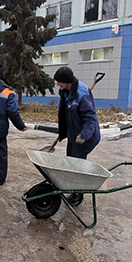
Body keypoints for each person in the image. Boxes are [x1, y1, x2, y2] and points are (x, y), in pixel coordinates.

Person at [54, 66, 100, 204]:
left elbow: (90, 118)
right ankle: (74, 192)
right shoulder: (66, 91)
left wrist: (84, 135)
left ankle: (77, 196)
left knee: (77, 166)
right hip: (74, 134)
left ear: (66, 81)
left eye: (59, 82)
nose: (58, 85)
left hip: (85, 136)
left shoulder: (81, 94)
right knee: (71, 162)